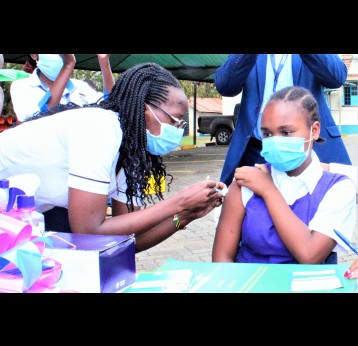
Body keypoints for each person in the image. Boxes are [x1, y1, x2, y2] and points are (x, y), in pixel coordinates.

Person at [0, 62, 226, 253]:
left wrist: (184, 216)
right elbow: (88, 232)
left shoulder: (129, 153)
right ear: (145, 109)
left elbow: (128, 238)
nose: (178, 129)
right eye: (175, 120)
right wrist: (179, 201)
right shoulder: (101, 127)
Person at [212, 86, 356, 264]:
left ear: (315, 130)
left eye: (286, 132)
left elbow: (310, 255)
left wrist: (269, 190)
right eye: (267, 133)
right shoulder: (245, 182)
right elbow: (221, 259)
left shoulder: (338, 188)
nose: (274, 141)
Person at [215, 54, 352, 187]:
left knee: (312, 207)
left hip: (306, 149)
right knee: (254, 206)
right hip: (258, 150)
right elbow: (225, 86)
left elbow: (336, 78)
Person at [10, 54, 114, 122]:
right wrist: (67, 65)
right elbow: (37, 122)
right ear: (34, 55)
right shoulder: (21, 87)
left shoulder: (80, 87)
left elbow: (111, 104)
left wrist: (104, 61)